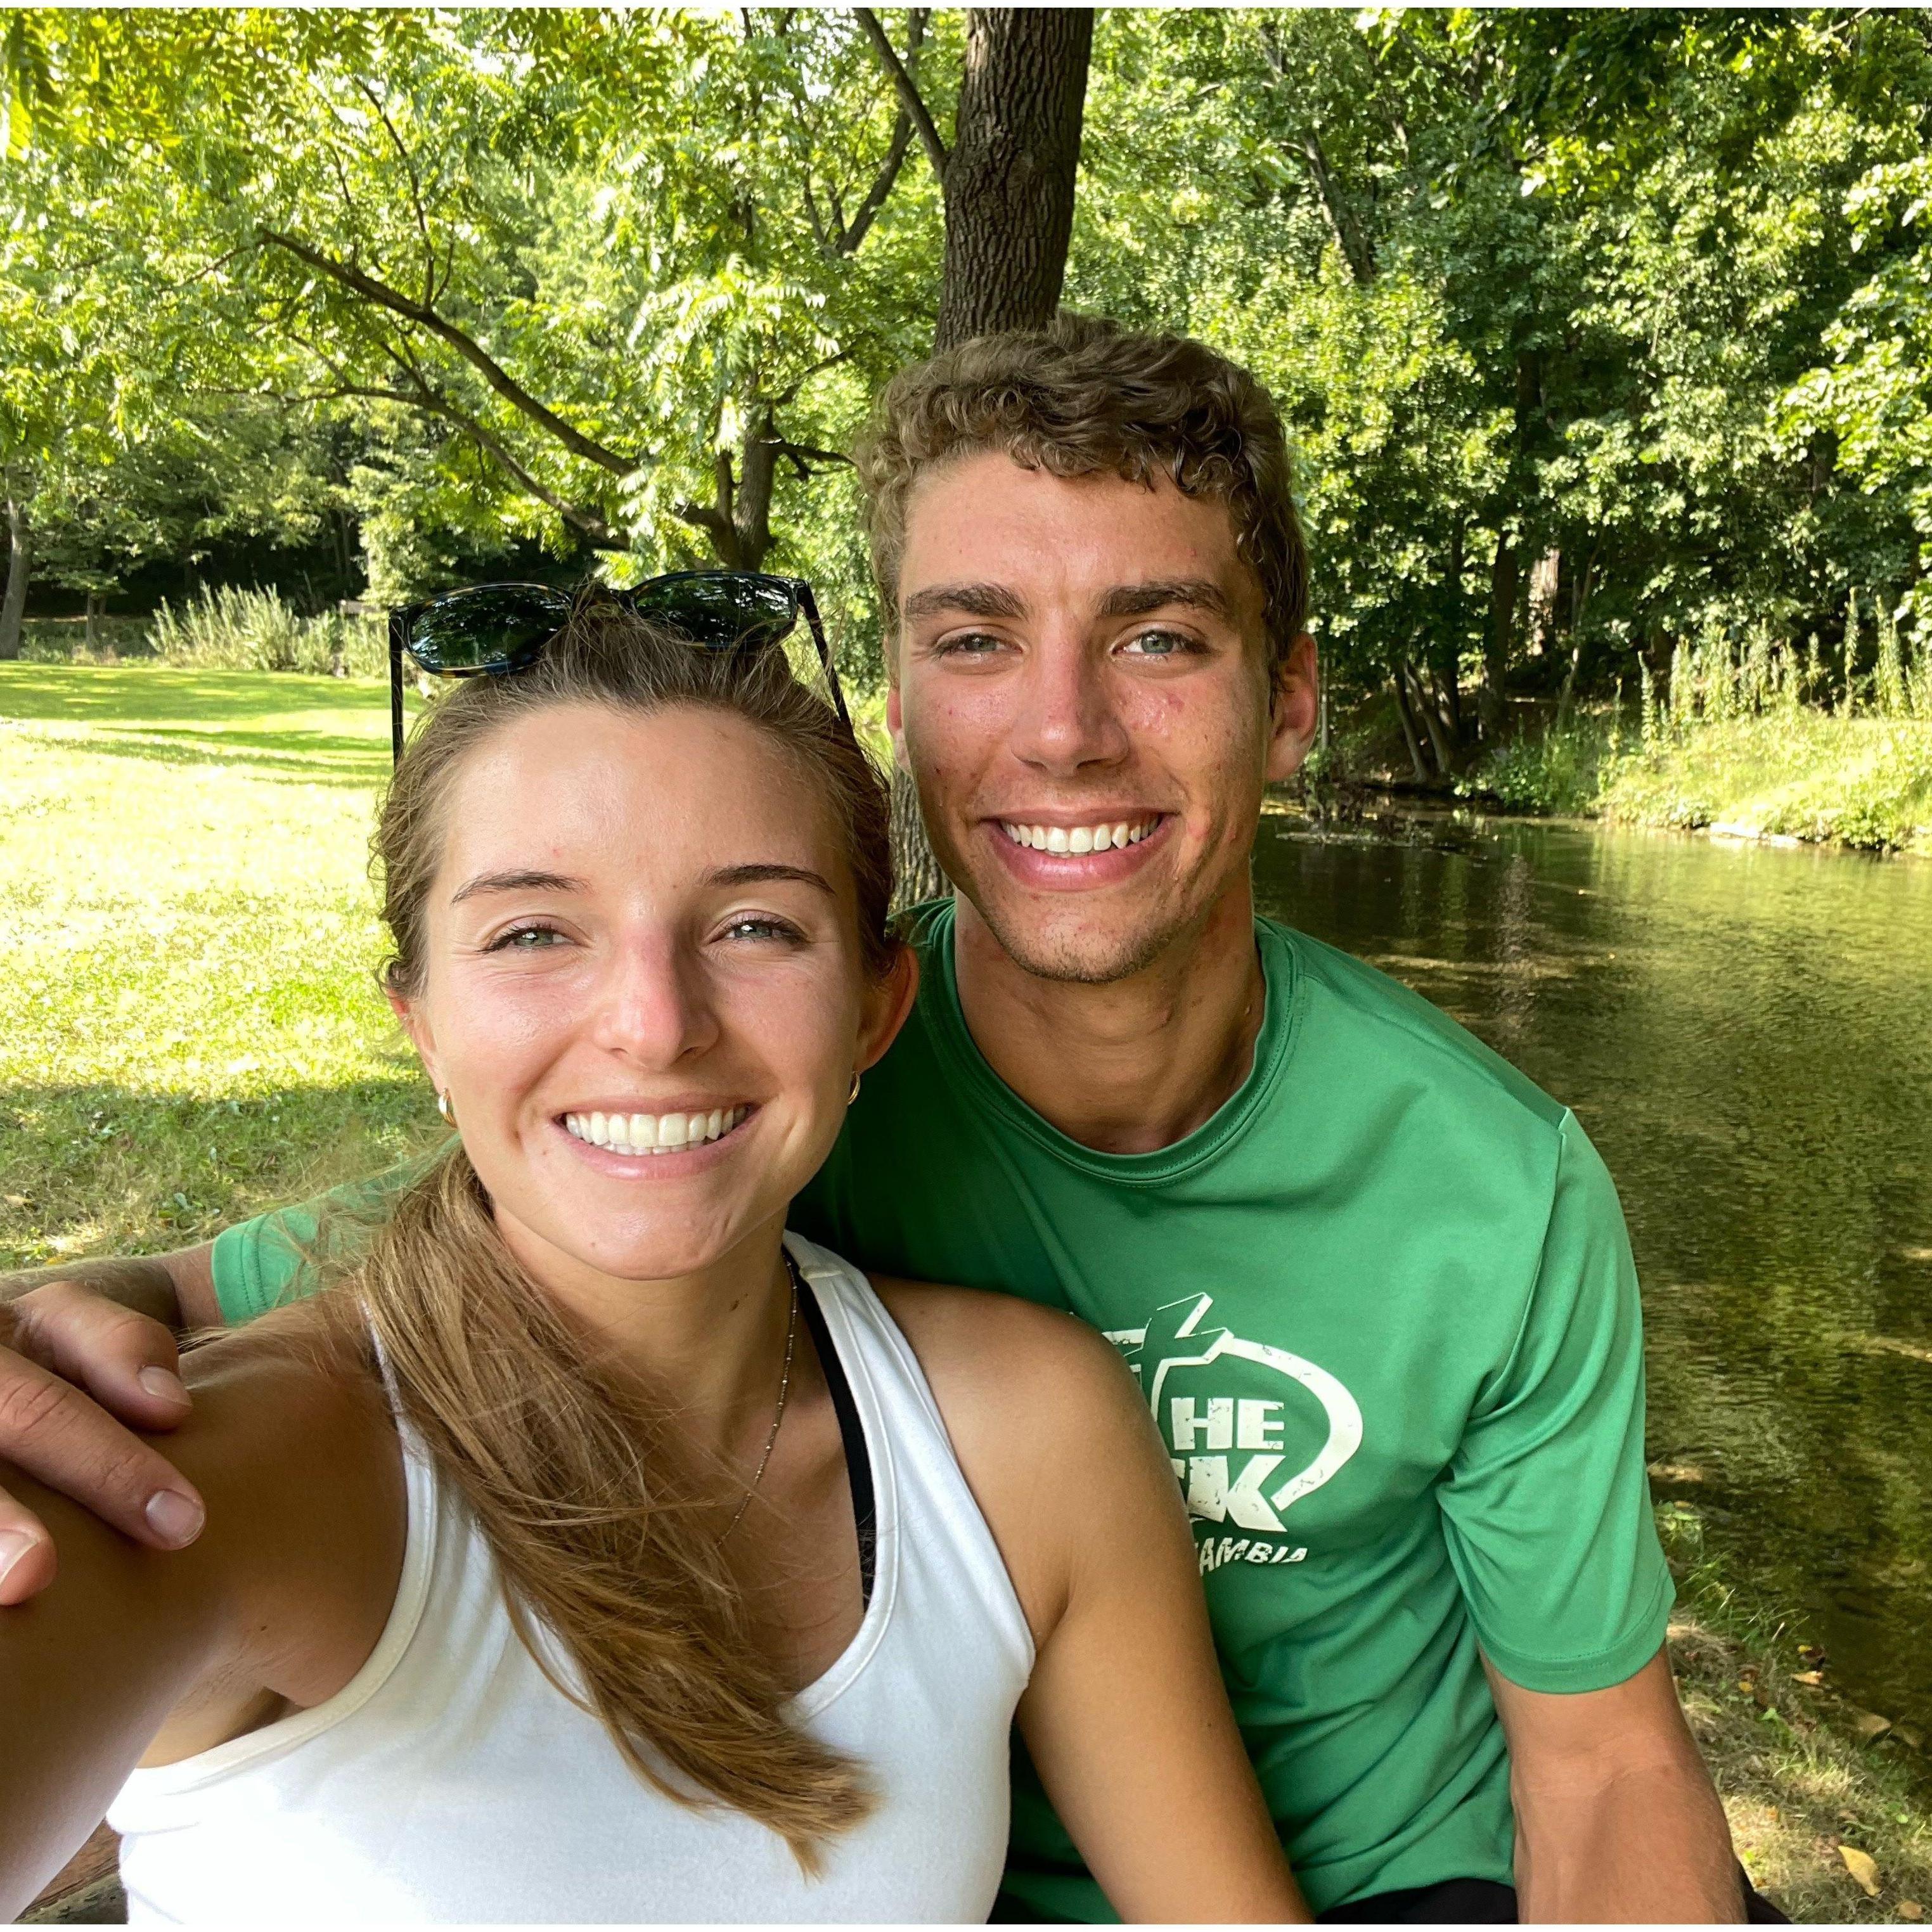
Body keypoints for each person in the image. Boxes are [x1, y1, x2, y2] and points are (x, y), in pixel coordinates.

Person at [0, 318, 1766, 1922]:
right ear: (905, 708)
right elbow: (363, 1270)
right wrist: (67, 1337)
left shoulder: (1487, 1186)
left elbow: (1602, 1757)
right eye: (979, 640)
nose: (1067, 733)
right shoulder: (744, 1079)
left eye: (1158, 637)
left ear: (1289, 700)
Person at [0, 607, 1306, 1924]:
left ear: (875, 1008)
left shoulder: (1022, 1435)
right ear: (424, 1027)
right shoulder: (254, 1471)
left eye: (754, 928)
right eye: (532, 934)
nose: (655, 1025)